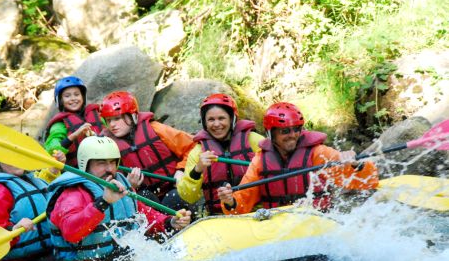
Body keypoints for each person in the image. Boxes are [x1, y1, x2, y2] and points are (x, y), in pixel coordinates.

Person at [47, 136, 192, 261]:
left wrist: (169, 221)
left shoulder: (119, 183)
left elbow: (142, 214)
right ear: (86, 164)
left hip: (118, 256)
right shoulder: (72, 193)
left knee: (165, 252)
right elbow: (71, 233)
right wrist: (103, 203)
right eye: (101, 163)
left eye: (112, 162)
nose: (109, 169)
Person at [218, 102, 380, 213]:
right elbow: (242, 204)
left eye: (296, 129)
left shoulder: (318, 153)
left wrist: (356, 165)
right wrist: (229, 201)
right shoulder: (260, 161)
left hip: (315, 221)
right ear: (270, 134)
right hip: (278, 226)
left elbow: (367, 182)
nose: (293, 135)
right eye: (285, 131)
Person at [100, 91, 195, 210]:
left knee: (175, 198)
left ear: (132, 116)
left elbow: (193, 147)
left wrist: (182, 170)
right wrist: (128, 185)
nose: (112, 125)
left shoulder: (156, 129)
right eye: (108, 120)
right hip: (142, 194)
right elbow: (105, 179)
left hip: (173, 187)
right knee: (143, 199)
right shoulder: (107, 144)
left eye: (117, 118)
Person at [178, 94, 264, 216]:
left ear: (232, 119)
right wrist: (197, 170)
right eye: (211, 120)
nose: (217, 124)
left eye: (221, 118)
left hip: (256, 212)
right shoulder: (198, 152)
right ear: (204, 123)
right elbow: (188, 197)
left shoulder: (254, 141)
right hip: (218, 217)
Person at [44, 76, 104, 167]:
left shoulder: (97, 114)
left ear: (83, 96)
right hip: (78, 173)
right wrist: (74, 136)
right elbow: (51, 149)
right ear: (60, 100)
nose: (73, 98)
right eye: (67, 96)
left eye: (77, 94)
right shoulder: (59, 124)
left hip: (104, 165)